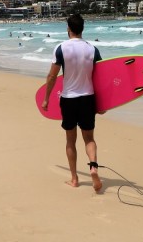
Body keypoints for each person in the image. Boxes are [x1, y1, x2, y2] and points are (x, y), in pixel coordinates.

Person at [41, 14, 103, 192]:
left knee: (70, 141)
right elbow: (100, 78)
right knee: (89, 138)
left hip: (69, 99)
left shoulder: (61, 48)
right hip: (88, 98)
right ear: (83, 29)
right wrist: (103, 104)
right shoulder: (93, 49)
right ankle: (93, 167)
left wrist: (46, 98)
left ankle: (74, 179)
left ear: (68, 28)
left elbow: (52, 76)